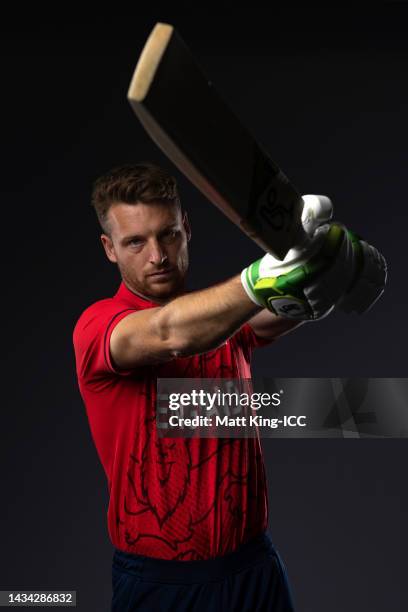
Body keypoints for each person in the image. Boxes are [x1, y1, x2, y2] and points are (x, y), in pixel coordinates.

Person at [72, 163, 386, 611]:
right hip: (163, 583)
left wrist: (334, 265)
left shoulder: (223, 318)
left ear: (187, 230)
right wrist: (257, 281)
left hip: (254, 568)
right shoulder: (99, 326)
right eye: (135, 242)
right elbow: (169, 333)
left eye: (169, 234)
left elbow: (287, 304)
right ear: (110, 249)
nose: (157, 255)